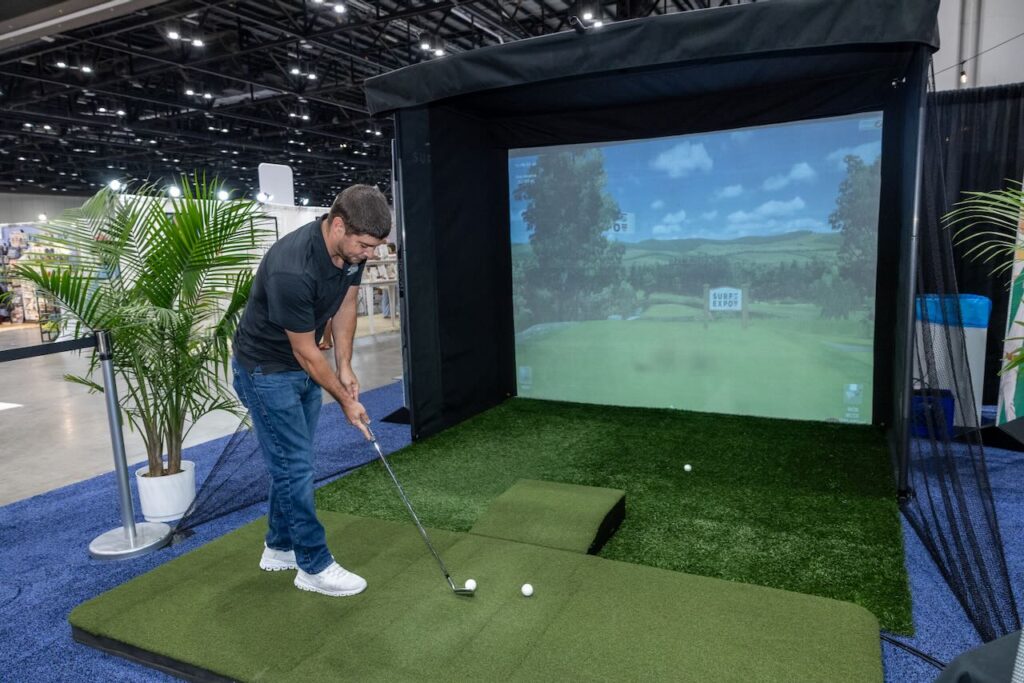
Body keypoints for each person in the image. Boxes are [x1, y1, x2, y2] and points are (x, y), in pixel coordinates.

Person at [231, 184, 391, 597]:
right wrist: (345, 400)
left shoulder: (350, 253)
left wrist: (345, 363)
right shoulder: (292, 267)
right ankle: (313, 564)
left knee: (291, 461)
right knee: (295, 466)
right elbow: (304, 352)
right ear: (338, 225)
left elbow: (345, 305)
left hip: (302, 367)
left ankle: (279, 546)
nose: (370, 254)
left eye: (375, 247)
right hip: (267, 371)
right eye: (365, 245)